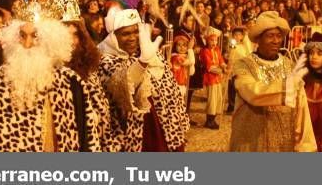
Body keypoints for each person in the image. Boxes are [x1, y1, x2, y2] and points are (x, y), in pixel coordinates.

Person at [0, 2, 121, 152]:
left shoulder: (69, 82)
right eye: (22, 36)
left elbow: (88, 138)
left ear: (49, 40)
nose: (27, 44)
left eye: (35, 36)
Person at [97, 8, 189, 151]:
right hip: (131, 137)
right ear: (113, 37)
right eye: (125, 34)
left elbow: (172, 93)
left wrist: (179, 125)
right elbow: (121, 89)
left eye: (135, 31)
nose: (133, 37)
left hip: (163, 130)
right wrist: (142, 62)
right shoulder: (105, 60)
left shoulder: (150, 53)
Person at [228, 11, 316, 152]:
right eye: (270, 36)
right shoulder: (243, 65)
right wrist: (288, 85)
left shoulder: (289, 65)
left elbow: (301, 108)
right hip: (250, 142)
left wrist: (305, 145)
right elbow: (252, 92)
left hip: (283, 143)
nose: (276, 41)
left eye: (279, 36)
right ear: (258, 39)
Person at [200, 33, 226, 130]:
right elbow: (209, 67)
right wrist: (222, 70)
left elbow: (221, 60)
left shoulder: (217, 50)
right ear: (207, 41)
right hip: (210, 78)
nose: (214, 42)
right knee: (212, 99)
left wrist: (225, 66)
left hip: (218, 78)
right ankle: (209, 120)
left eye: (215, 40)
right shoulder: (205, 51)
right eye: (212, 40)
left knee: (218, 98)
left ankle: (213, 118)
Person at [226, 27, 252, 114]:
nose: (237, 37)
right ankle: (231, 105)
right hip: (234, 69)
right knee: (232, 88)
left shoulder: (244, 46)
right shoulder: (233, 44)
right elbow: (231, 54)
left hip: (242, 69)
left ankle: (240, 106)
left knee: (241, 89)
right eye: (235, 35)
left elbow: (248, 52)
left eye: (239, 35)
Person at [169, 35, 195, 104]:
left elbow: (191, 72)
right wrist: (190, 49)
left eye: (184, 45)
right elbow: (191, 62)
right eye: (179, 45)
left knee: (181, 103)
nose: (181, 47)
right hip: (176, 84)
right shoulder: (175, 57)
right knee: (176, 103)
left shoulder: (186, 56)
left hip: (183, 83)